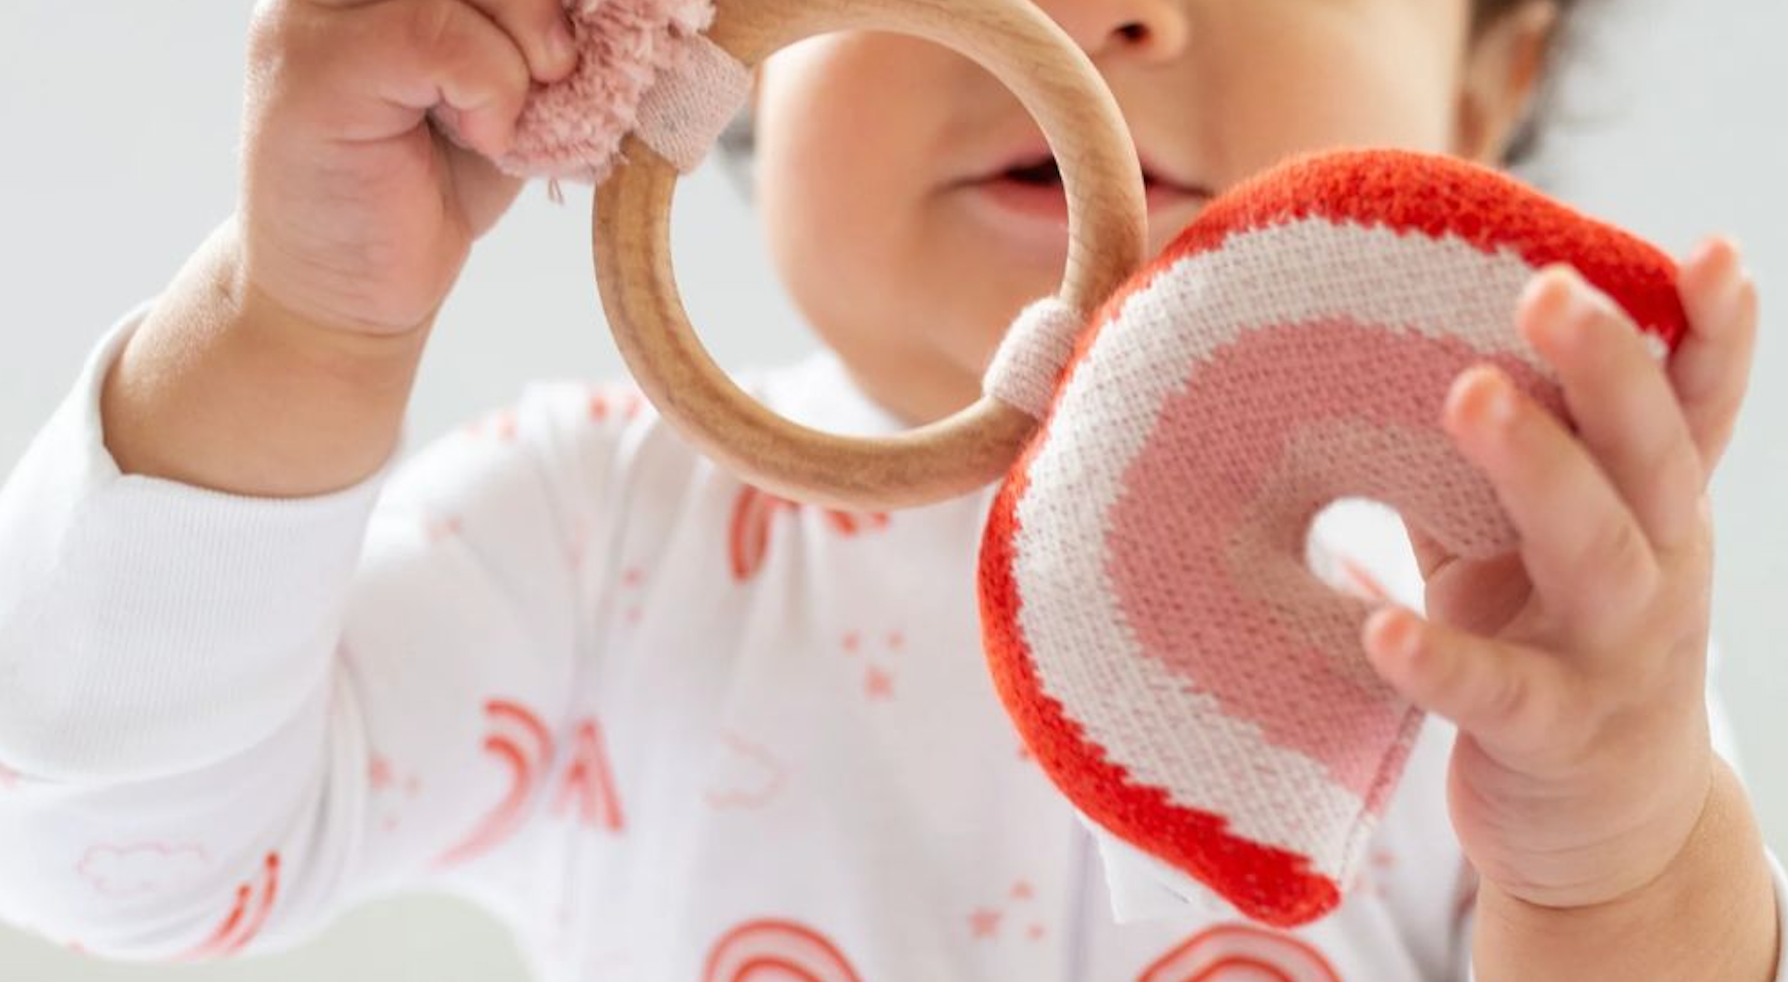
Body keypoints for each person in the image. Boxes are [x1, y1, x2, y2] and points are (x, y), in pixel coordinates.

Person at [0, 0, 1781, 979]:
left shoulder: (1512, 633)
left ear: (1495, 62)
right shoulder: (592, 540)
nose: (1104, 17)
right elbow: (122, 859)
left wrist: (1613, 856)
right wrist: (300, 323)